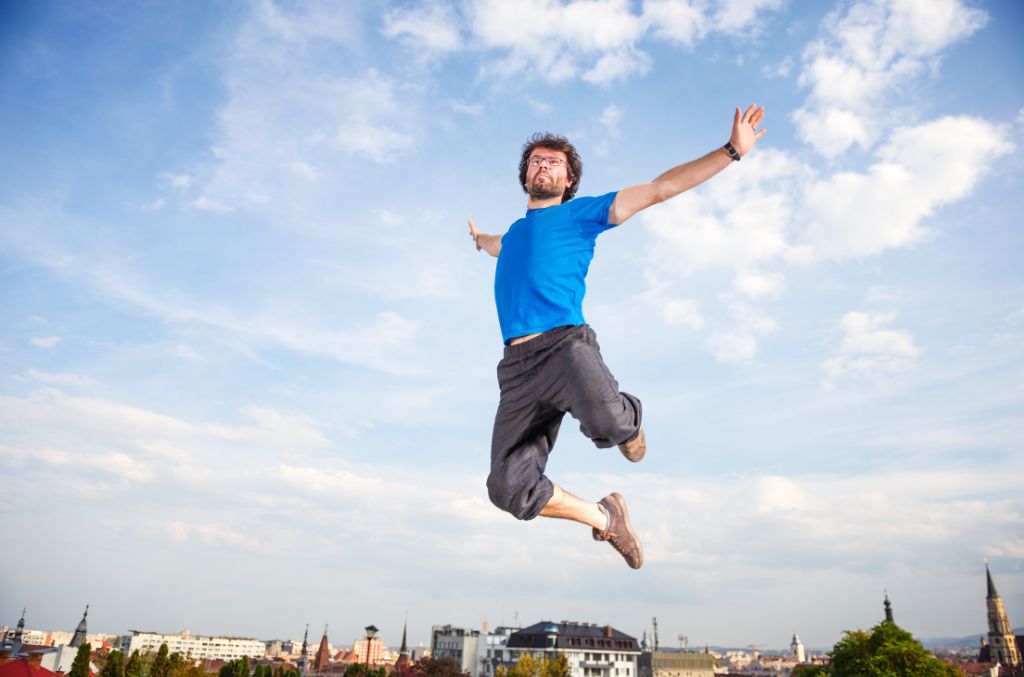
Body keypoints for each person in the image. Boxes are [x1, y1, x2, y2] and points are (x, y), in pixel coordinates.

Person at [468, 105, 766, 569]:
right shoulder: (513, 235)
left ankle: (628, 421)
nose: (543, 165)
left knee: (609, 427)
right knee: (506, 489)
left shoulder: (581, 215)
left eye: (554, 161)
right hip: (517, 372)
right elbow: (495, 246)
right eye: (536, 160)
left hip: (565, 348)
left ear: (568, 181)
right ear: (525, 174)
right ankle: (605, 518)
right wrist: (481, 239)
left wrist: (730, 152)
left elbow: (659, 189)